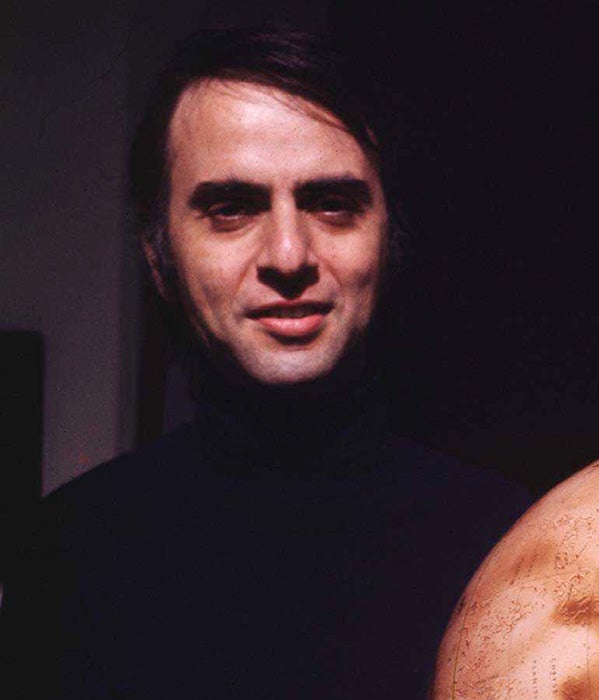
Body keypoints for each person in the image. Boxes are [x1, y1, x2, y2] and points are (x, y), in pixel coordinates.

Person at [0, 24, 532, 699]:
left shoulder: (507, 547)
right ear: (160, 256)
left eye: (332, 204)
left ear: (389, 240)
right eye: (232, 208)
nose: (288, 255)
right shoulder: (68, 551)